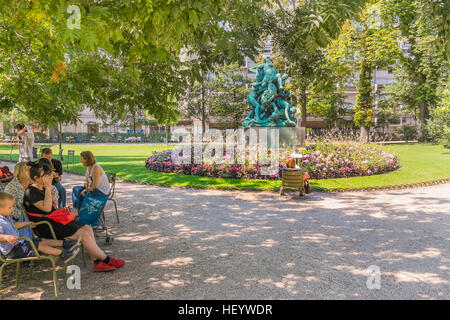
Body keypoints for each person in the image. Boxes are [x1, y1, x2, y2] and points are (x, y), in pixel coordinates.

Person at [23, 163, 124, 272]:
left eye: (48, 174)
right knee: (83, 234)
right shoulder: (30, 192)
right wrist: (48, 188)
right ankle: (107, 259)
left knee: (88, 228)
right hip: (45, 226)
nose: (48, 177)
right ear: (35, 178)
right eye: (45, 175)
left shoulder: (42, 188)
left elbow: (50, 209)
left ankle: (97, 262)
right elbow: (47, 209)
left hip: (54, 221)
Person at [0, 192, 81, 263]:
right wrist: (6, 237)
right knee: (39, 245)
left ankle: (65, 244)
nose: (12, 209)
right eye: (10, 207)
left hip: (20, 243)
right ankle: (63, 254)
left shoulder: (7, 216)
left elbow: (15, 225)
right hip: (13, 250)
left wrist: (26, 223)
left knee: (42, 240)